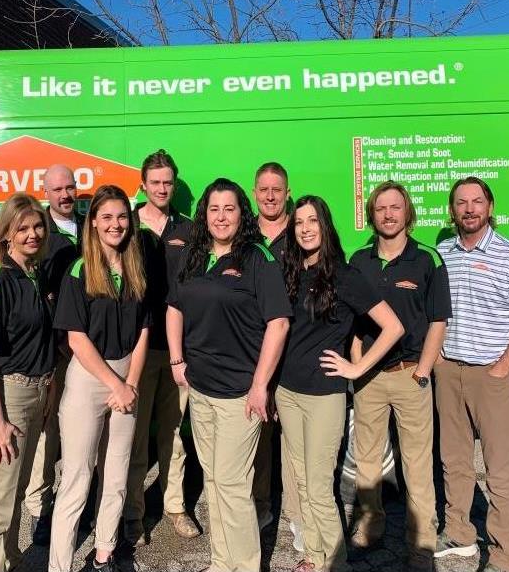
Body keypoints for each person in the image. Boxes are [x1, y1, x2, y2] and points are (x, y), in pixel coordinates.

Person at [166, 178, 291, 572]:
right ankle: (223, 562)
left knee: (234, 486)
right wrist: (176, 361)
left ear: (242, 214)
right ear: (205, 214)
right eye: (214, 209)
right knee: (215, 481)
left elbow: (279, 324)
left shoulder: (257, 259)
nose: (221, 217)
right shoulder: (194, 255)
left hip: (240, 394)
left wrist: (260, 386)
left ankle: (247, 565)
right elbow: (174, 308)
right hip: (200, 389)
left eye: (230, 209)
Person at [277, 195, 403, 572]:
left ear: (325, 225)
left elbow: (393, 327)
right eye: (299, 222)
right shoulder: (290, 272)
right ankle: (314, 556)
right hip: (287, 392)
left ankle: (334, 563)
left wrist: (356, 367)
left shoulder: (345, 275)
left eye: (312, 221)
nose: (305, 228)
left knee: (317, 485)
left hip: (323, 396)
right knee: (300, 481)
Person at [434, 177, 509, 572]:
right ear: (453, 210)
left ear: (490, 206)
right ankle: (460, 534)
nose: (469, 209)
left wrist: (502, 368)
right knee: (454, 460)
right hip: (448, 372)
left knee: (499, 471)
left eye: (476, 201)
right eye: (461, 203)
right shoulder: (443, 252)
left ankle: (504, 557)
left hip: (492, 376)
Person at [348, 181, 452, 571]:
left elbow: (438, 321)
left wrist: (424, 371)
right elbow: (354, 318)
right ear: (372, 215)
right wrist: (357, 359)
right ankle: (372, 525)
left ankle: (422, 543)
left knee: (417, 464)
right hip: (370, 379)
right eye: (380, 209)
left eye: (395, 208)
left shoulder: (428, 260)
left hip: (411, 375)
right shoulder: (359, 262)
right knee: (367, 459)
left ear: (406, 213)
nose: (388, 215)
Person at [49, 185, 150, 572]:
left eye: (122, 216)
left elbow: (144, 330)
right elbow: (76, 338)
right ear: (93, 223)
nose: (116, 224)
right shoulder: (80, 269)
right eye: (106, 217)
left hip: (128, 379)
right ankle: (59, 565)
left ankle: (104, 553)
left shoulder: (135, 266)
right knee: (77, 478)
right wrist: (116, 385)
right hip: (92, 379)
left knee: (117, 473)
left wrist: (132, 383)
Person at [0, 193, 55, 572]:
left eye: (37, 226)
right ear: (6, 234)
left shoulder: (33, 275)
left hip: (36, 392)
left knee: (15, 492)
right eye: (22, 228)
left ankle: (10, 560)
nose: (32, 234)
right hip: (10, 396)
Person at [124, 150, 198, 545]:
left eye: (168, 182)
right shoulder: (126, 226)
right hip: (138, 347)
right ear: (143, 185)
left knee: (173, 434)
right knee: (135, 436)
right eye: (155, 182)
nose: (162, 188)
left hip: (179, 352)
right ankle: (133, 514)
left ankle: (175, 506)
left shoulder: (188, 228)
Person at [25, 164, 85, 545]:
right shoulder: (39, 235)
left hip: (91, 348)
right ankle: (40, 507)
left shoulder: (91, 225)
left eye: (69, 187)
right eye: (57, 189)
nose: (64, 194)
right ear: (45, 192)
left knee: (86, 430)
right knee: (49, 430)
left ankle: (82, 500)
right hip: (56, 349)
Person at [251, 162, 302, 545]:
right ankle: (261, 505)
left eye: (277, 189)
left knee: (297, 441)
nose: (271, 195)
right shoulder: (243, 232)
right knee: (259, 436)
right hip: (254, 350)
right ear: (255, 192)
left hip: (297, 348)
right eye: (264, 189)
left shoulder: (301, 231)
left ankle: (299, 513)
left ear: (287, 192)